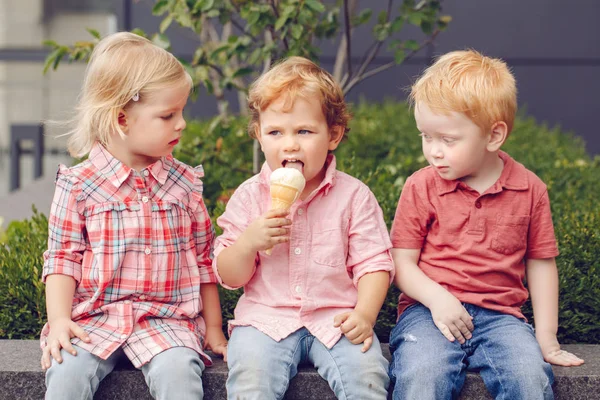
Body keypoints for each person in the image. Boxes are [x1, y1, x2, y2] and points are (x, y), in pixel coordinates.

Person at [40, 31, 227, 400]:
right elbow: (63, 258)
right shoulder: (78, 185)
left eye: (182, 112)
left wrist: (214, 327)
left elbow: (203, 258)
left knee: (179, 376)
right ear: (122, 118)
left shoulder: (184, 183)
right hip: (94, 320)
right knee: (66, 375)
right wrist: (60, 320)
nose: (182, 124)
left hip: (167, 322)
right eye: (167, 115)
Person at [388, 49, 585, 400]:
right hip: (429, 313)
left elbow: (540, 263)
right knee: (422, 374)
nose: (433, 151)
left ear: (494, 136)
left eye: (447, 140)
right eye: (425, 136)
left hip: (501, 317)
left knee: (528, 378)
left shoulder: (530, 189)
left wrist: (547, 336)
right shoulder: (421, 186)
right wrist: (438, 299)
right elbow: (401, 263)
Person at [213, 56, 394, 399]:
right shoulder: (250, 197)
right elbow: (230, 276)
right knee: (251, 378)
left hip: (337, 319)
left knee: (367, 375)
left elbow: (374, 263)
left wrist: (364, 314)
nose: (290, 144)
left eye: (304, 131)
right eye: (276, 132)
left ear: (333, 136)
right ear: (259, 137)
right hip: (265, 321)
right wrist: (248, 243)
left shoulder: (354, 196)